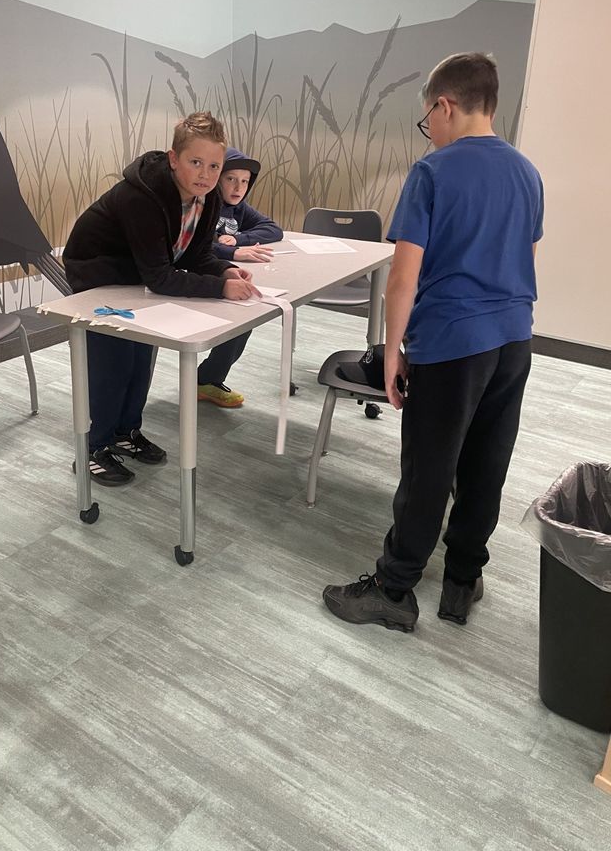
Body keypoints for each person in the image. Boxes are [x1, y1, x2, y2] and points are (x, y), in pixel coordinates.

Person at [322, 53, 544, 632]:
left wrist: (392, 354)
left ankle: (394, 590)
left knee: (429, 469)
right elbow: (526, 258)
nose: (431, 131)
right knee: (486, 463)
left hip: (451, 343)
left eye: (428, 120)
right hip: (514, 340)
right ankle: (462, 579)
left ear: (444, 105)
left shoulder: (433, 172)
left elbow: (403, 278)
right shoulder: (527, 173)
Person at [62, 112, 260, 486]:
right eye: (195, 162)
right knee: (113, 362)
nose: (205, 174)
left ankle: (125, 432)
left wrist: (224, 271)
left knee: (141, 358)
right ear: (173, 159)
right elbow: (160, 277)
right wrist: (219, 289)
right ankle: (92, 447)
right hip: (97, 277)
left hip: (135, 276)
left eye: (214, 166)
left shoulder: (207, 199)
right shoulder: (142, 198)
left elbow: (196, 256)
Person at [197, 146, 284, 408]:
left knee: (246, 315)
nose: (238, 187)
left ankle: (207, 379)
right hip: (197, 275)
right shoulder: (202, 203)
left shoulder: (239, 208)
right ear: (217, 179)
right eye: (231, 179)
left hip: (223, 272)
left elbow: (273, 230)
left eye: (245, 181)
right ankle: (205, 379)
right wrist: (231, 251)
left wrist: (239, 239)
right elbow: (196, 245)